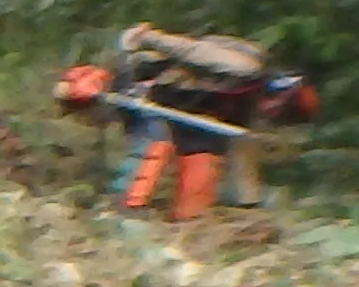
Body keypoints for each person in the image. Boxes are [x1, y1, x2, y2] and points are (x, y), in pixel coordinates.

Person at [54, 26, 317, 219]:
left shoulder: (245, 109)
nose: (273, 117)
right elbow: (193, 51)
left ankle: (189, 222)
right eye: (281, 113)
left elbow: (243, 157)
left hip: (186, 110)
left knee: (204, 163)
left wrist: (251, 201)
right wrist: (149, 38)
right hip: (147, 88)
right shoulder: (244, 67)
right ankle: (124, 211)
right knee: (154, 145)